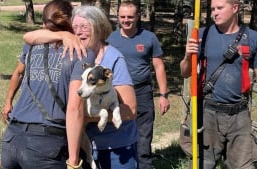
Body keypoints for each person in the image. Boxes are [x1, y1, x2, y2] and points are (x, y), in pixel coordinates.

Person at [24, 5, 138, 169]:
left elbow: (131, 109)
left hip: (115, 149)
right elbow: (29, 36)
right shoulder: (74, 54)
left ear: (98, 28)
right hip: (82, 148)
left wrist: (86, 118)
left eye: (85, 27)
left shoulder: (113, 59)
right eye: (75, 27)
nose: (78, 32)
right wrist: (62, 34)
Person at [0, 1, 95, 168]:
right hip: (46, 146)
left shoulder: (31, 45)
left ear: (43, 23)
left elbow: (19, 70)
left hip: (12, 140)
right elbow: (75, 109)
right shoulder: (81, 54)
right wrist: (73, 161)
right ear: (71, 22)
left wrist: (8, 101)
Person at [180, 0, 257, 168]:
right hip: (209, 112)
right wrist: (187, 56)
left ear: (235, 8)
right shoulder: (201, 35)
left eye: (220, 8)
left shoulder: (252, 37)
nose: (215, 12)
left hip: (240, 114)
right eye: (213, 8)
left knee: (243, 165)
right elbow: (185, 72)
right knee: (204, 163)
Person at [106, 1, 170, 168]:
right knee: (118, 132)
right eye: (122, 17)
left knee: (143, 137)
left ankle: (144, 165)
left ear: (138, 17)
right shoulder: (110, 39)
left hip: (142, 92)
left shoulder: (149, 38)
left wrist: (163, 95)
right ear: (118, 17)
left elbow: (159, 66)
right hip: (116, 93)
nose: (126, 20)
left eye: (130, 17)